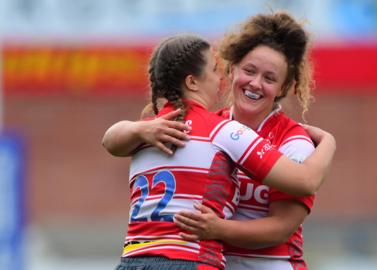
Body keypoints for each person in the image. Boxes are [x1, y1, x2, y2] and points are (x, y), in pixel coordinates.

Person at [103, 34, 335, 270]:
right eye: (215, 70)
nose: (220, 77)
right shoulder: (223, 131)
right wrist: (328, 141)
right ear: (193, 82)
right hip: (191, 260)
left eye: (269, 77)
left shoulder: (146, 130)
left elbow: (108, 141)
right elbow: (305, 180)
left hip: (132, 260)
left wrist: (135, 128)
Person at [172, 12, 324, 270]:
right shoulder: (206, 127)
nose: (255, 84)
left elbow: (281, 229)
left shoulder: (295, 141)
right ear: (232, 70)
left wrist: (218, 229)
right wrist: (137, 131)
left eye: (269, 78)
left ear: (284, 88)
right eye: (249, 71)